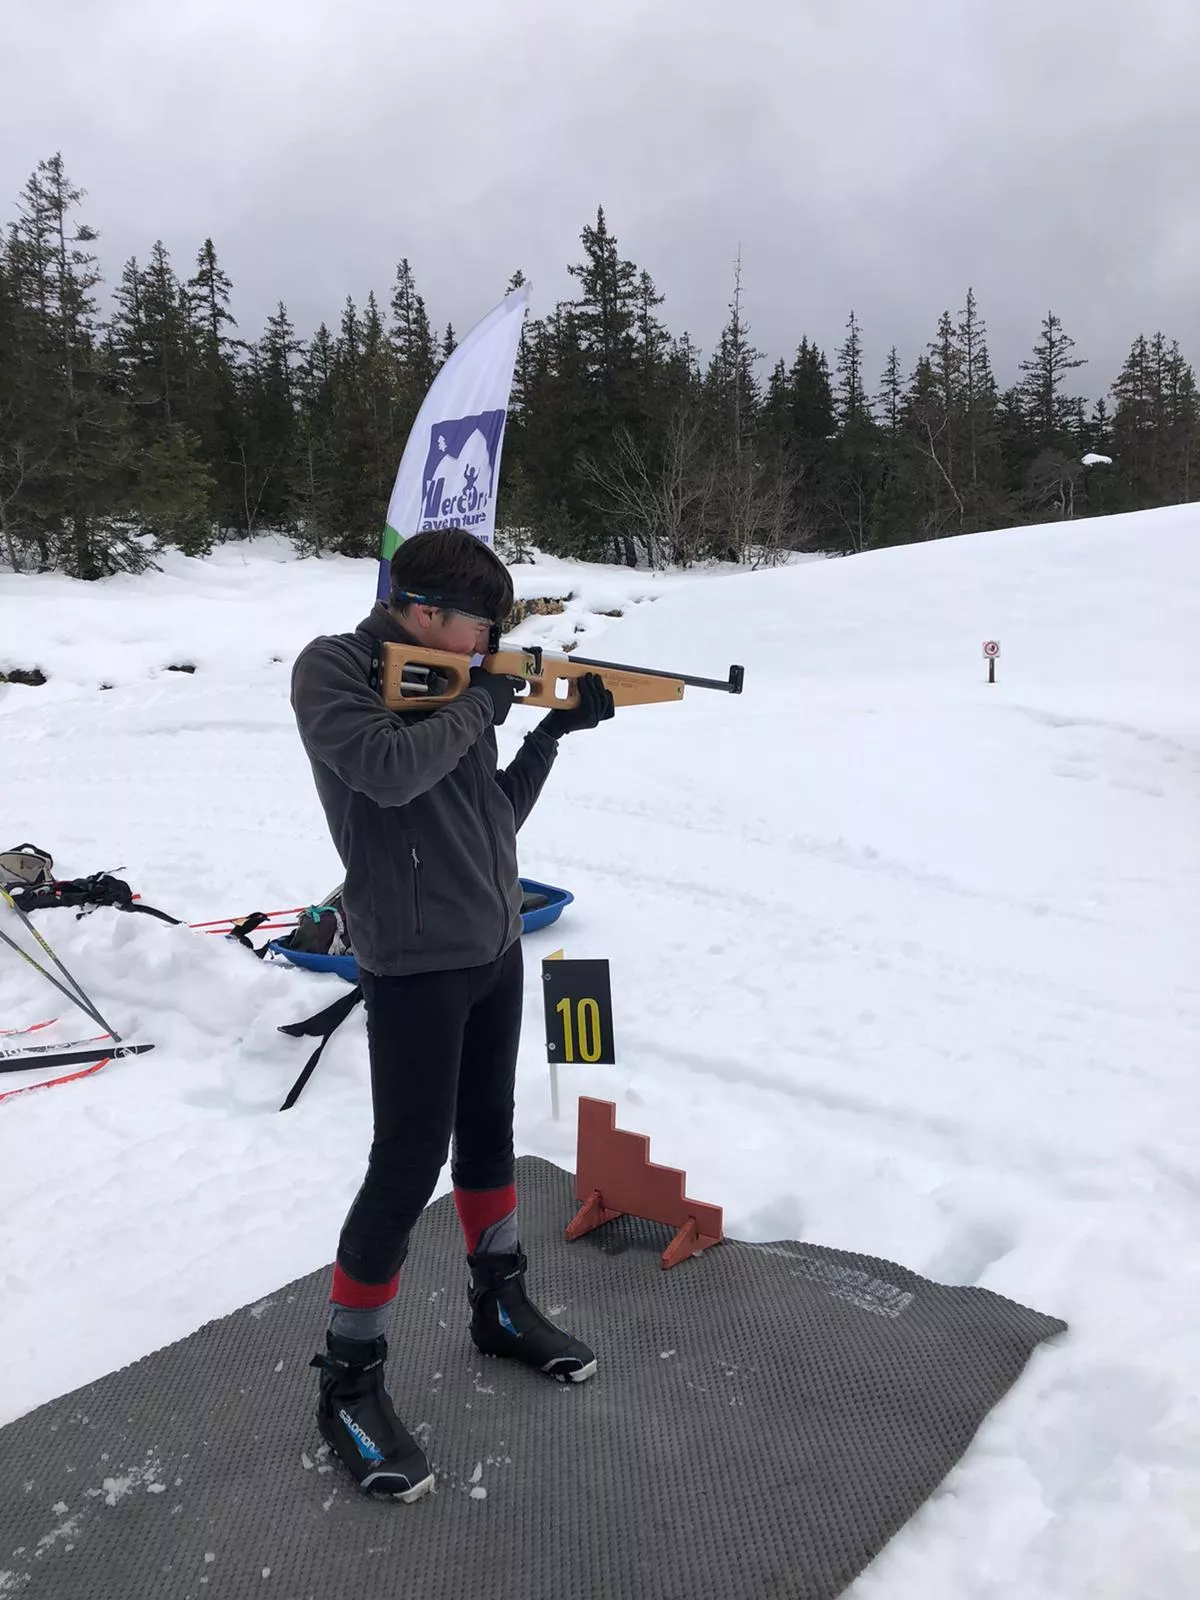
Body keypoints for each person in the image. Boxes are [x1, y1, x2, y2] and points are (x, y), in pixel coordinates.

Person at [289, 528, 614, 1501]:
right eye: (482, 627)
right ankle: (349, 1377)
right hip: (414, 960)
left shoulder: (452, 685)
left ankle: (499, 1305)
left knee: (488, 1137)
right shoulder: (335, 669)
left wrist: (549, 736)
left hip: (491, 948)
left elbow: (492, 819)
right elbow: (387, 772)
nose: (489, 645)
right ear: (424, 611)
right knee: (406, 1163)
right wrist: (482, 701)